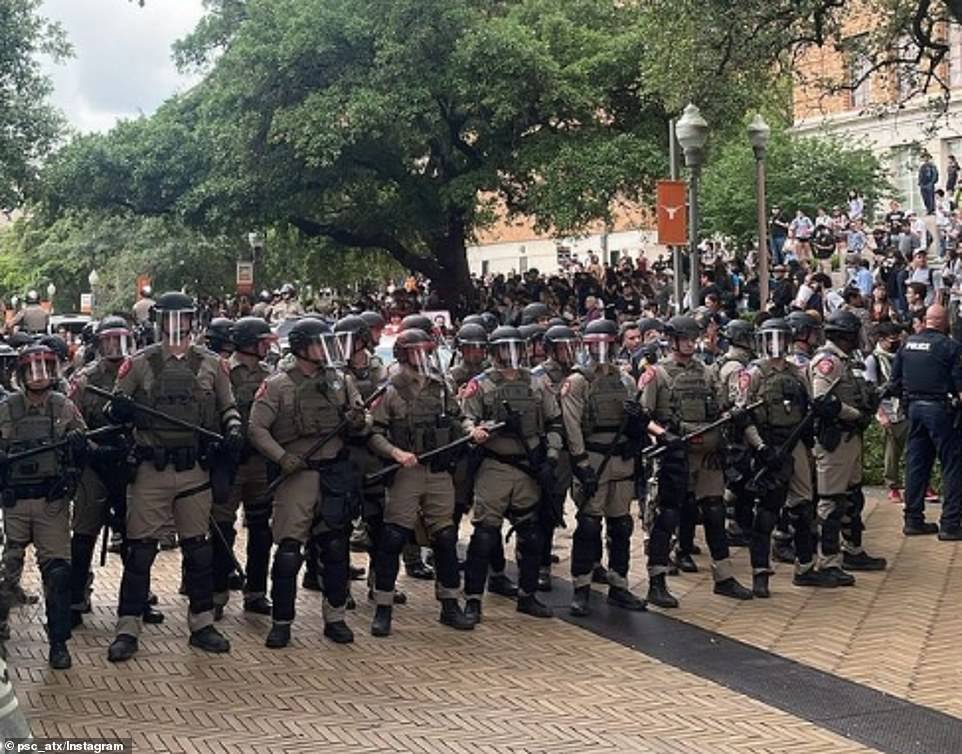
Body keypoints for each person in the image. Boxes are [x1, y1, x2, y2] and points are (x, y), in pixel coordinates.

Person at [105, 292, 243, 662]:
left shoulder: (213, 364)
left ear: (193, 321)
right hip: (151, 469)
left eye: (183, 318)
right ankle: (128, 627)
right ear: (158, 322)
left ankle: (201, 624)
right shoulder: (139, 363)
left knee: (198, 550)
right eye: (169, 319)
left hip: (194, 468)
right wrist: (117, 410)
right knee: (140, 552)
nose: (176, 326)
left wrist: (233, 431)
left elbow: (228, 407)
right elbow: (114, 409)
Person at [248, 318, 365, 648]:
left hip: (333, 473)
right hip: (296, 475)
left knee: (336, 548)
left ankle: (336, 617)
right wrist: (282, 457)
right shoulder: (277, 385)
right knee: (288, 552)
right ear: (301, 348)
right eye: (319, 344)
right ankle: (282, 620)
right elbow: (256, 428)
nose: (326, 350)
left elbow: (362, 419)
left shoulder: (340, 381)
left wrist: (358, 421)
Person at [367, 329, 474, 636]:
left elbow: (457, 417)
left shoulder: (440, 386)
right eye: (417, 352)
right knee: (393, 536)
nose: (424, 357)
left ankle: (450, 603)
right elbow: (373, 432)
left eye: (427, 351)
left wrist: (471, 429)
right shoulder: (390, 389)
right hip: (406, 471)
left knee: (444, 537)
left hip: (438, 470)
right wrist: (395, 453)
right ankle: (383, 607)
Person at [640, 315, 753, 606]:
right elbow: (642, 415)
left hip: (707, 455)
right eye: (686, 338)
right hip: (674, 455)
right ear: (672, 340)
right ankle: (657, 581)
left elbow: (720, 405)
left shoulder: (706, 372)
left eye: (694, 337)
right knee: (667, 516)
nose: (691, 343)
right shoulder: (658, 374)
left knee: (715, 512)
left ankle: (724, 577)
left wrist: (733, 413)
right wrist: (664, 436)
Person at [460, 325, 563, 623]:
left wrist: (552, 456)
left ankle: (527, 596)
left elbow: (555, 421)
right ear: (493, 352)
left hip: (529, 467)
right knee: (484, 537)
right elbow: (466, 418)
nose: (511, 355)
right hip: (495, 465)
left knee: (532, 536)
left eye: (516, 349)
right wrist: (473, 431)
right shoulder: (481, 385)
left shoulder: (536, 383)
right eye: (504, 349)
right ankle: (473, 600)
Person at [67, 317, 163, 628]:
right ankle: (76, 595)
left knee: (138, 536)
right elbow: (71, 422)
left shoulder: (145, 374)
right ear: (97, 344)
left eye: (120, 340)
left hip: (132, 464)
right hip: (95, 466)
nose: (114, 348)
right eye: (107, 341)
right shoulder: (84, 380)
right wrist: (90, 450)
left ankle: (138, 599)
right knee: (83, 533)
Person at [562, 319, 658, 615]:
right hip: (593, 459)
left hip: (621, 459)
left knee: (621, 525)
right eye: (595, 345)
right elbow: (571, 424)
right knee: (589, 524)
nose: (601, 351)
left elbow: (638, 419)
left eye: (606, 344)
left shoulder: (625, 380)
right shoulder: (578, 381)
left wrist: (636, 428)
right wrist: (580, 463)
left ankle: (619, 584)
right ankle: (581, 587)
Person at [0, 344, 86, 669]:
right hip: (16, 501)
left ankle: (59, 641)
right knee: (7, 572)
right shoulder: (6, 408)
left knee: (59, 574)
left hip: (51, 501)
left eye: (45, 369)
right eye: (32, 370)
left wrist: (79, 445)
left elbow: (84, 443)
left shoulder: (63, 407)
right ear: (21, 375)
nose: (39, 377)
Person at [737, 319, 837, 595]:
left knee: (803, 509)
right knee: (767, 511)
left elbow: (811, 405)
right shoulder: (754, 373)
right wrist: (760, 448)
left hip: (796, 445)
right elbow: (741, 414)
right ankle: (760, 573)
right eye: (770, 339)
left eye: (781, 339)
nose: (776, 345)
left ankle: (805, 567)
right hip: (769, 445)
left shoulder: (799, 372)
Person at [810, 310, 886, 586]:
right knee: (831, 502)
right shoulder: (827, 361)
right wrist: (855, 414)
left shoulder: (846, 360)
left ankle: (852, 550)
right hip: (834, 440)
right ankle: (827, 562)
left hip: (850, 438)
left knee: (852, 498)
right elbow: (822, 401)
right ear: (844, 335)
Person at [210, 317, 277, 620]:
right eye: (262, 341)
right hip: (230, 462)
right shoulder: (221, 370)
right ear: (249, 343)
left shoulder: (269, 374)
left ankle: (257, 593)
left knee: (261, 529)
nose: (266, 346)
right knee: (223, 529)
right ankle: (217, 594)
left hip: (260, 463)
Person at [884, 304, 962, 539]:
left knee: (916, 463)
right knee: (952, 465)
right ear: (945, 321)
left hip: (913, 410)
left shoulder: (907, 345)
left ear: (926, 320)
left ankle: (913, 520)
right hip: (941, 411)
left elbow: (894, 382)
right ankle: (950, 524)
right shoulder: (951, 347)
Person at [533, 324, 578, 590]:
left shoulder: (579, 373)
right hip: (556, 450)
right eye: (562, 347)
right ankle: (541, 565)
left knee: (589, 509)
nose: (568, 352)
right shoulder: (539, 377)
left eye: (571, 346)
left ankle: (593, 563)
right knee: (550, 508)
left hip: (579, 446)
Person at [863, 322, 908, 503]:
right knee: (892, 451)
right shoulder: (873, 360)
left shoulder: (901, 356)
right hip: (888, 410)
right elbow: (871, 390)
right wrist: (881, 414)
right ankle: (892, 485)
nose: (896, 342)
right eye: (892, 340)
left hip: (905, 408)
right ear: (881, 340)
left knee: (913, 448)